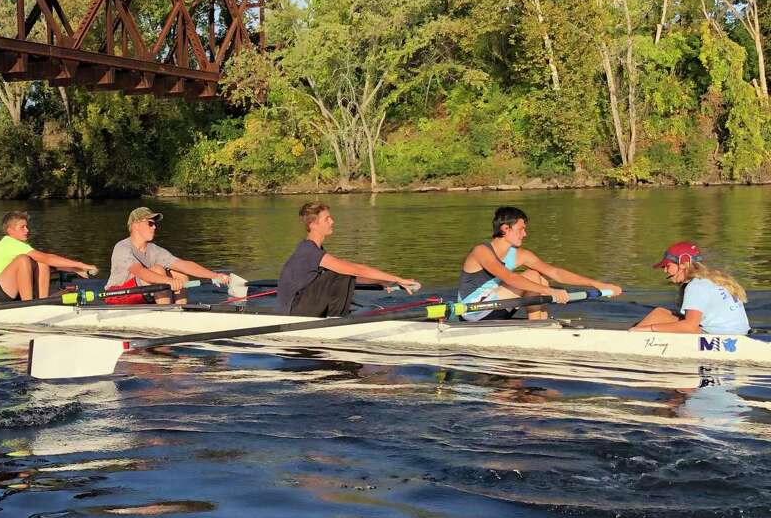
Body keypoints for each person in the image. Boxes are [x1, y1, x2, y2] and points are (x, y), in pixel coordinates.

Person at [458, 206, 622, 320]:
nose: (525, 234)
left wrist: (598, 284)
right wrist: (549, 291)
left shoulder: (521, 255)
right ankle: (536, 327)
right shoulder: (481, 251)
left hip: (497, 307)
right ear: (505, 229)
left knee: (539, 276)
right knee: (532, 277)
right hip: (472, 311)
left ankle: (539, 324)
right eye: (521, 229)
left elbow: (555, 273)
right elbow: (511, 279)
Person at [276, 202, 421, 317]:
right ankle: (335, 321)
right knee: (339, 272)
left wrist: (383, 282)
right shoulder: (308, 251)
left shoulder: (316, 250)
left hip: (301, 307)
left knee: (340, 273)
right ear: (313, 225)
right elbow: (356, 270)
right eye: (327, 219)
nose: (332, 221)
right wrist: (398, 278)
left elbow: (353, 278)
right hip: (293, 313)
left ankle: (335, 318)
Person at [105, 206, 230, 305]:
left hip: (143, 293)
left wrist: (215, 275)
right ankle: (166, 312)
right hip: (117, 295)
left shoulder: (154, 250)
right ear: (136, 225)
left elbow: (182, 264)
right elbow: (140, 271)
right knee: (158, 270)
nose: (154, 227)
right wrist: (169, 281)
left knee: (180, 274)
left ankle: (179, 310)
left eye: (154, 224)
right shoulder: (122, 247)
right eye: (150, 223)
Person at [0, 211, 97, 303]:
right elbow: (48, 257)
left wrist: (74, 269)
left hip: (7, 290)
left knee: (40, 262)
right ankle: (28, 305)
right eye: (22, 227)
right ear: (10, 230)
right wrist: (81, 264)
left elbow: (47, 261)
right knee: (24, 260)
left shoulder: (21, 245)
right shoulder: (9, 243)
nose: (27, 230)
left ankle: (42, 302)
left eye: (27, 226)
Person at [629, 242, 749, 335]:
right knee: (663, 313)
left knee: (659, 314)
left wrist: (649, 329)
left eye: (668, 266)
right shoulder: (714, 278)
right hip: (741, 333)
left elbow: (690, 327)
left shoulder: (696, 286)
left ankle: (631, 337)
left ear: (682, 264)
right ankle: (635, 332)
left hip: (720, 338)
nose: (665, 270)